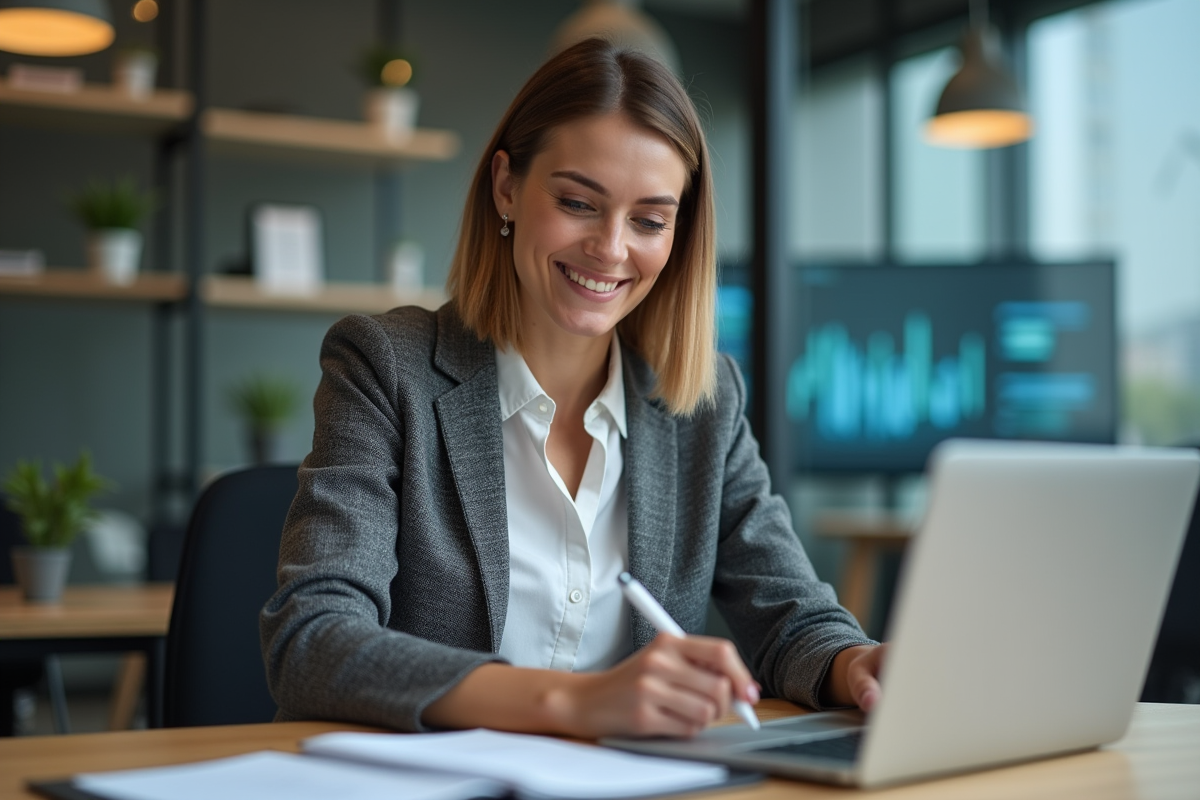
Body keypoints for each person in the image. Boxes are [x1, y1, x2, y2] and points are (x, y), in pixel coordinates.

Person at [260, 37, 884, 739]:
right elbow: (312, 640)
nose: (612, 248)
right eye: (579, 203)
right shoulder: (385, 365)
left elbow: (792, 616)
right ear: (506, 187)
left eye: (649, 220)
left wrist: (856, 662)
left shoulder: (704, 404)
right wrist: (571, 704)